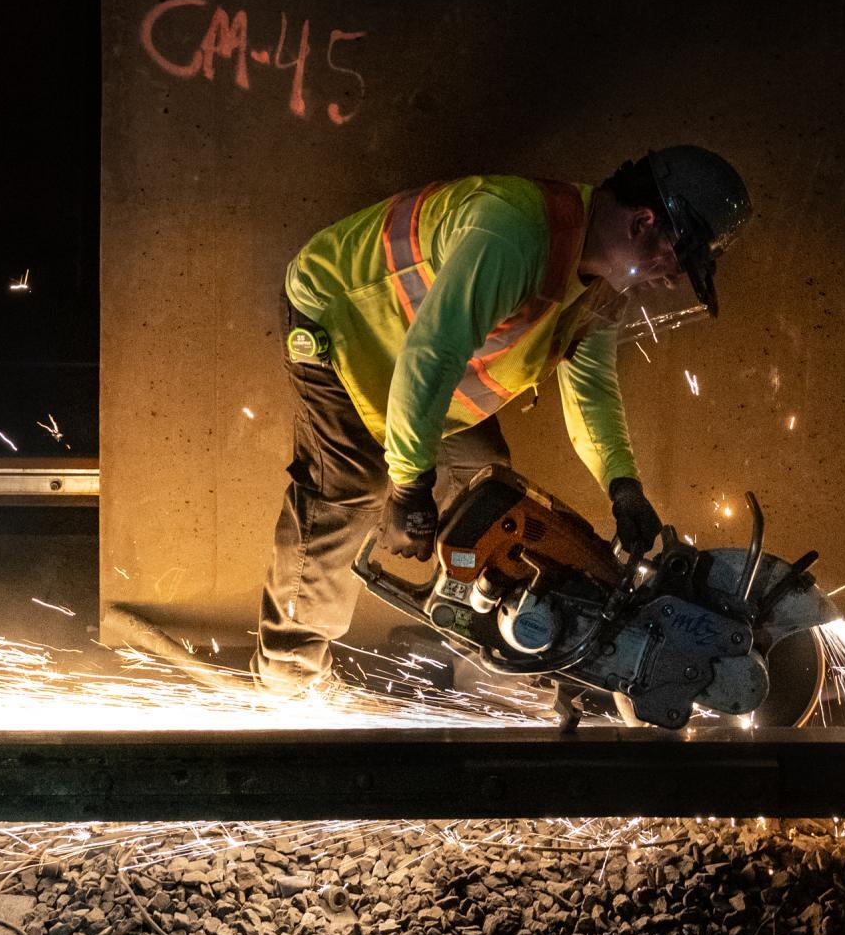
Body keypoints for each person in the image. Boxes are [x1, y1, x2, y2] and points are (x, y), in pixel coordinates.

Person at [253, 146, 753, 697]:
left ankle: (486, 649)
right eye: (677, 262)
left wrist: (622, 484)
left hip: (420, 358)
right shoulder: (514, 236)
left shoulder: (603, 289)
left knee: (489, 498)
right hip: (343, 327)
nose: (671, 281)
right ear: (644, 223)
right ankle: (288, 681)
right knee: (351, 488)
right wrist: (410, 489)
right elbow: (429, 360)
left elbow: (590, 392)